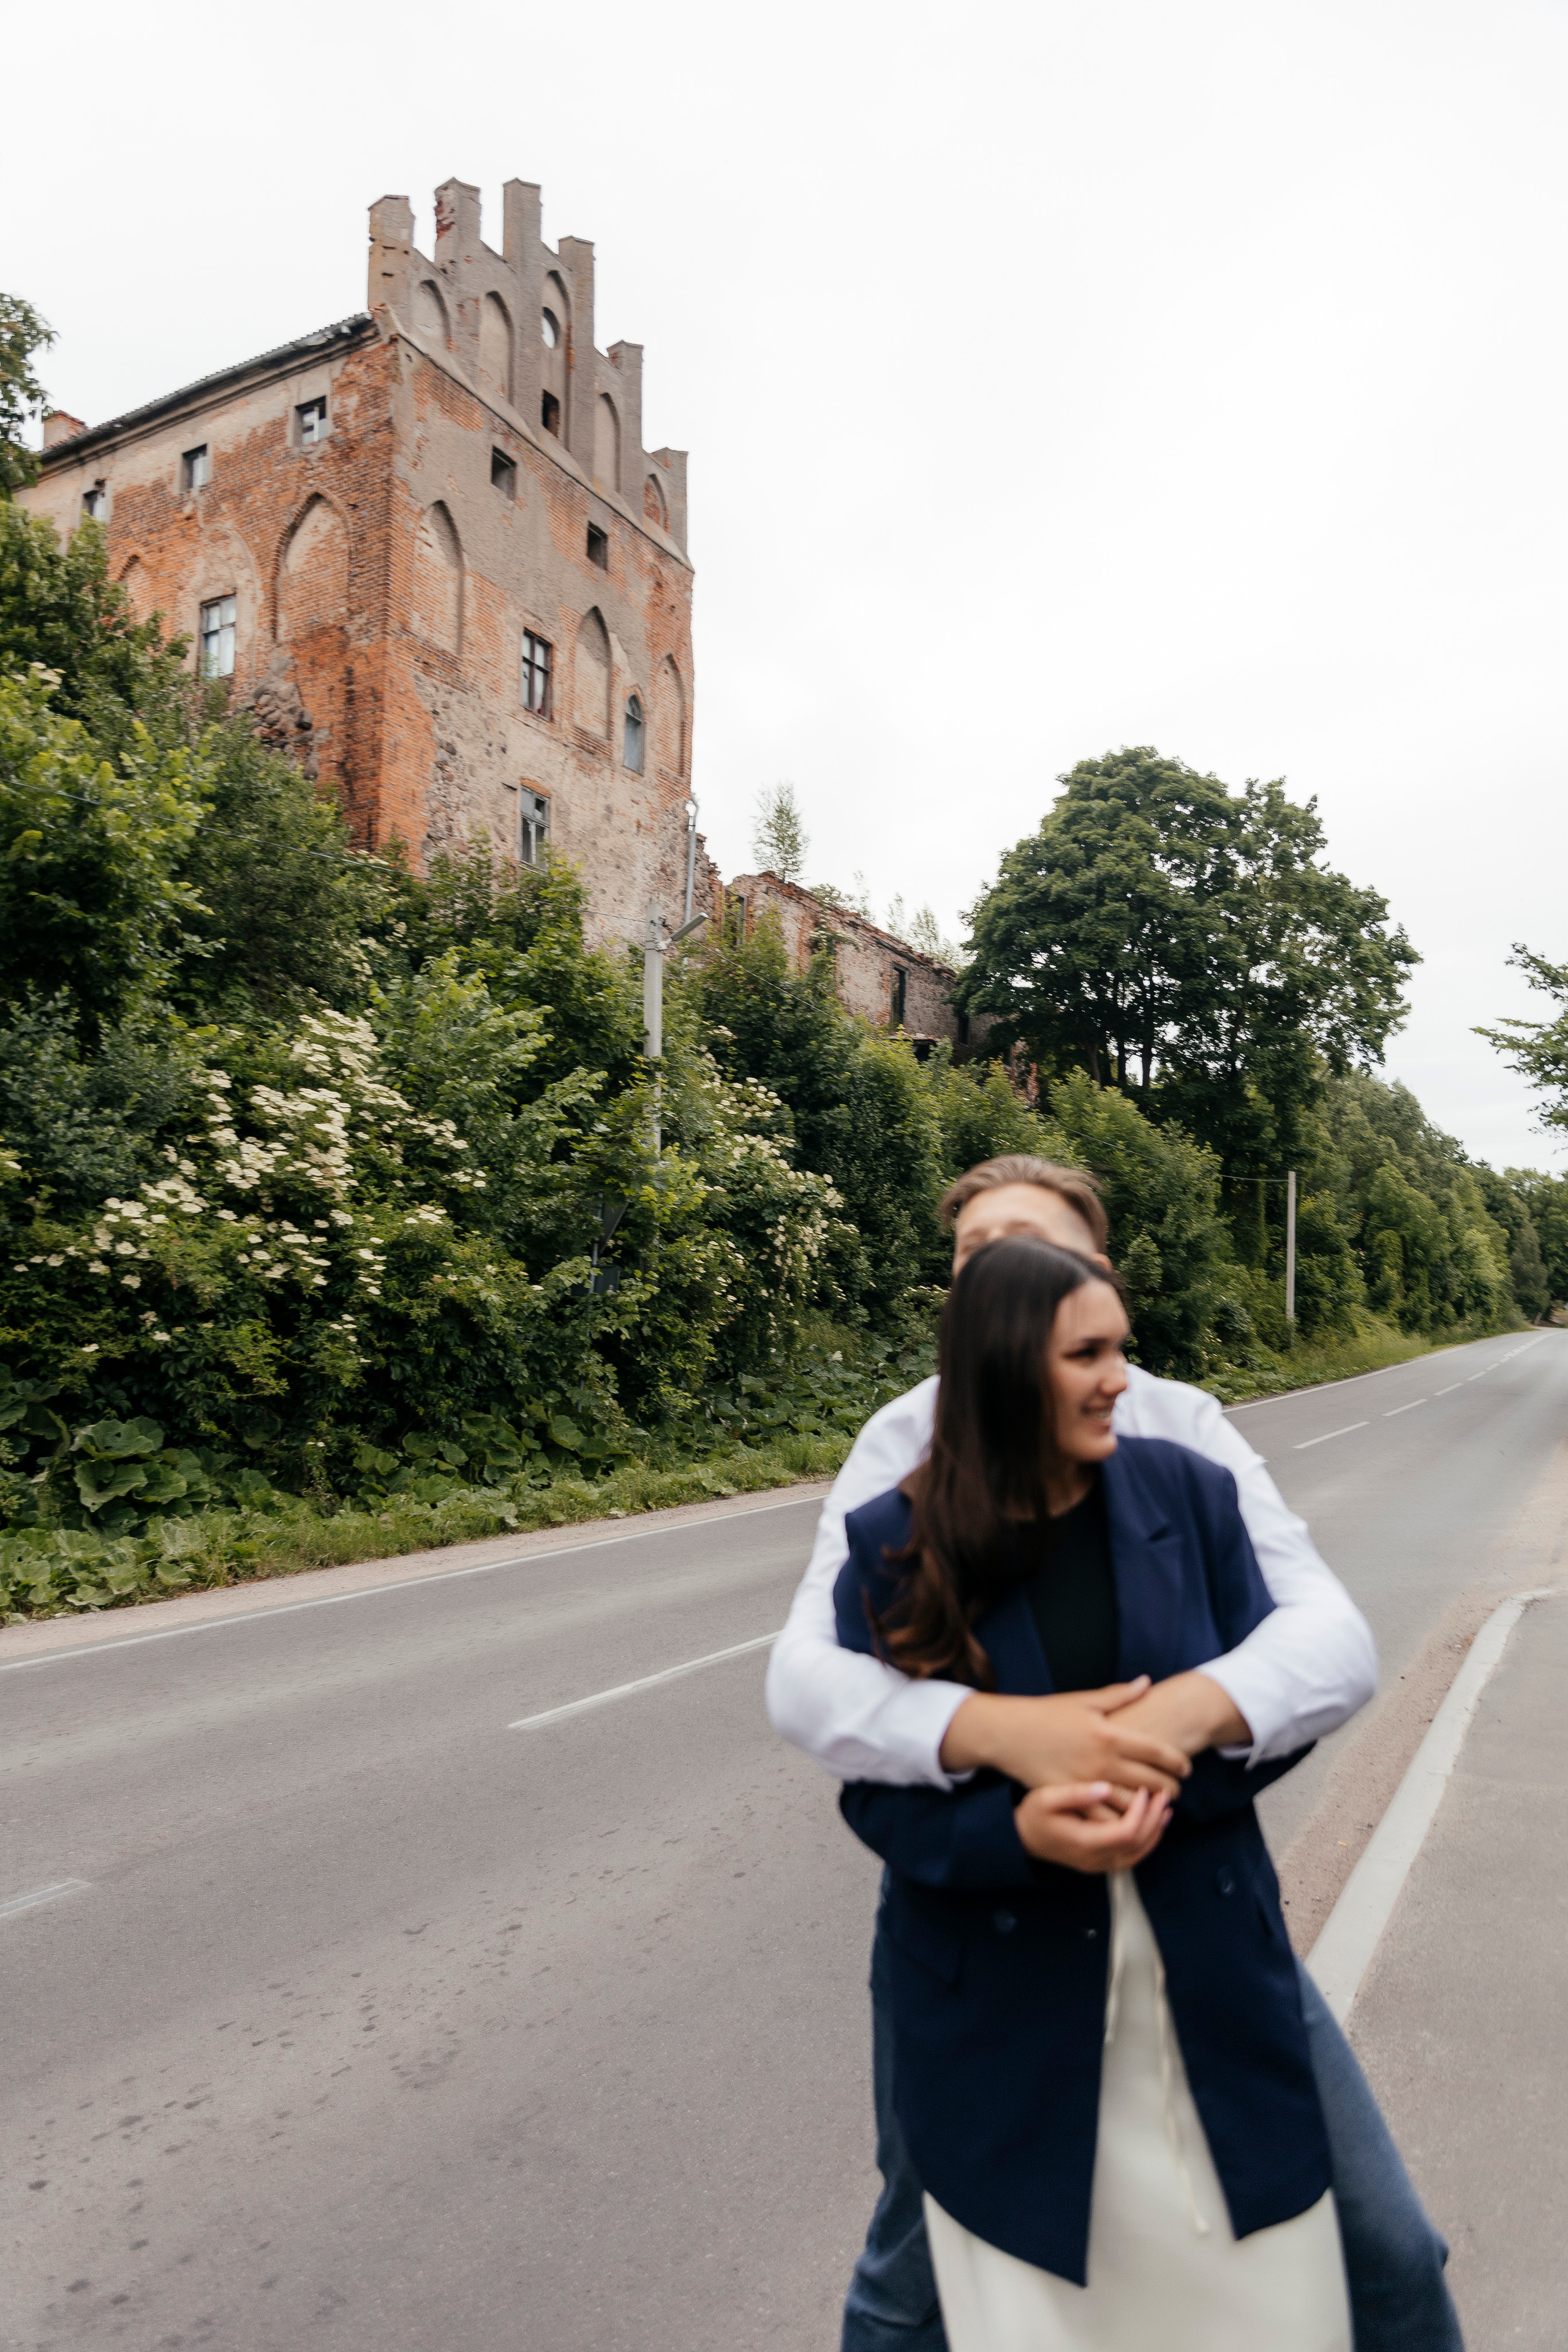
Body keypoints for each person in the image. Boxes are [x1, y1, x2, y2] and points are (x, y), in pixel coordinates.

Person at [765, 1155, 1463, 2352]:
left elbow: (1321, 1650)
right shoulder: (902, 1461)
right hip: (983, 1957)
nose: (993, 1273)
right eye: (969, 1258)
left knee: (1381, 2255)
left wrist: (1165, 1729)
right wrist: (1003, 1744)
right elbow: (816, 1693)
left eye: (1028, 1249)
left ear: (1095, 1276)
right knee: (925, 2264)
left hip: (1195, 1928)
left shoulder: (1182, 1446)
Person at [832, 1234, 1349, 2349]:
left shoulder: (1194, 1497)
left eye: (1122, 1348)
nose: (1122, 1378)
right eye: (1088, 1354)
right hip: (1008, 2041)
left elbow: (1278, 1704)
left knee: (1282, 2317)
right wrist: (1018, 1829)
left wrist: (1164, 1762)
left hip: (1210, 2002)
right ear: (1005, 1367)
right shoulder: (894, 1543)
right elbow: (874, 1791)